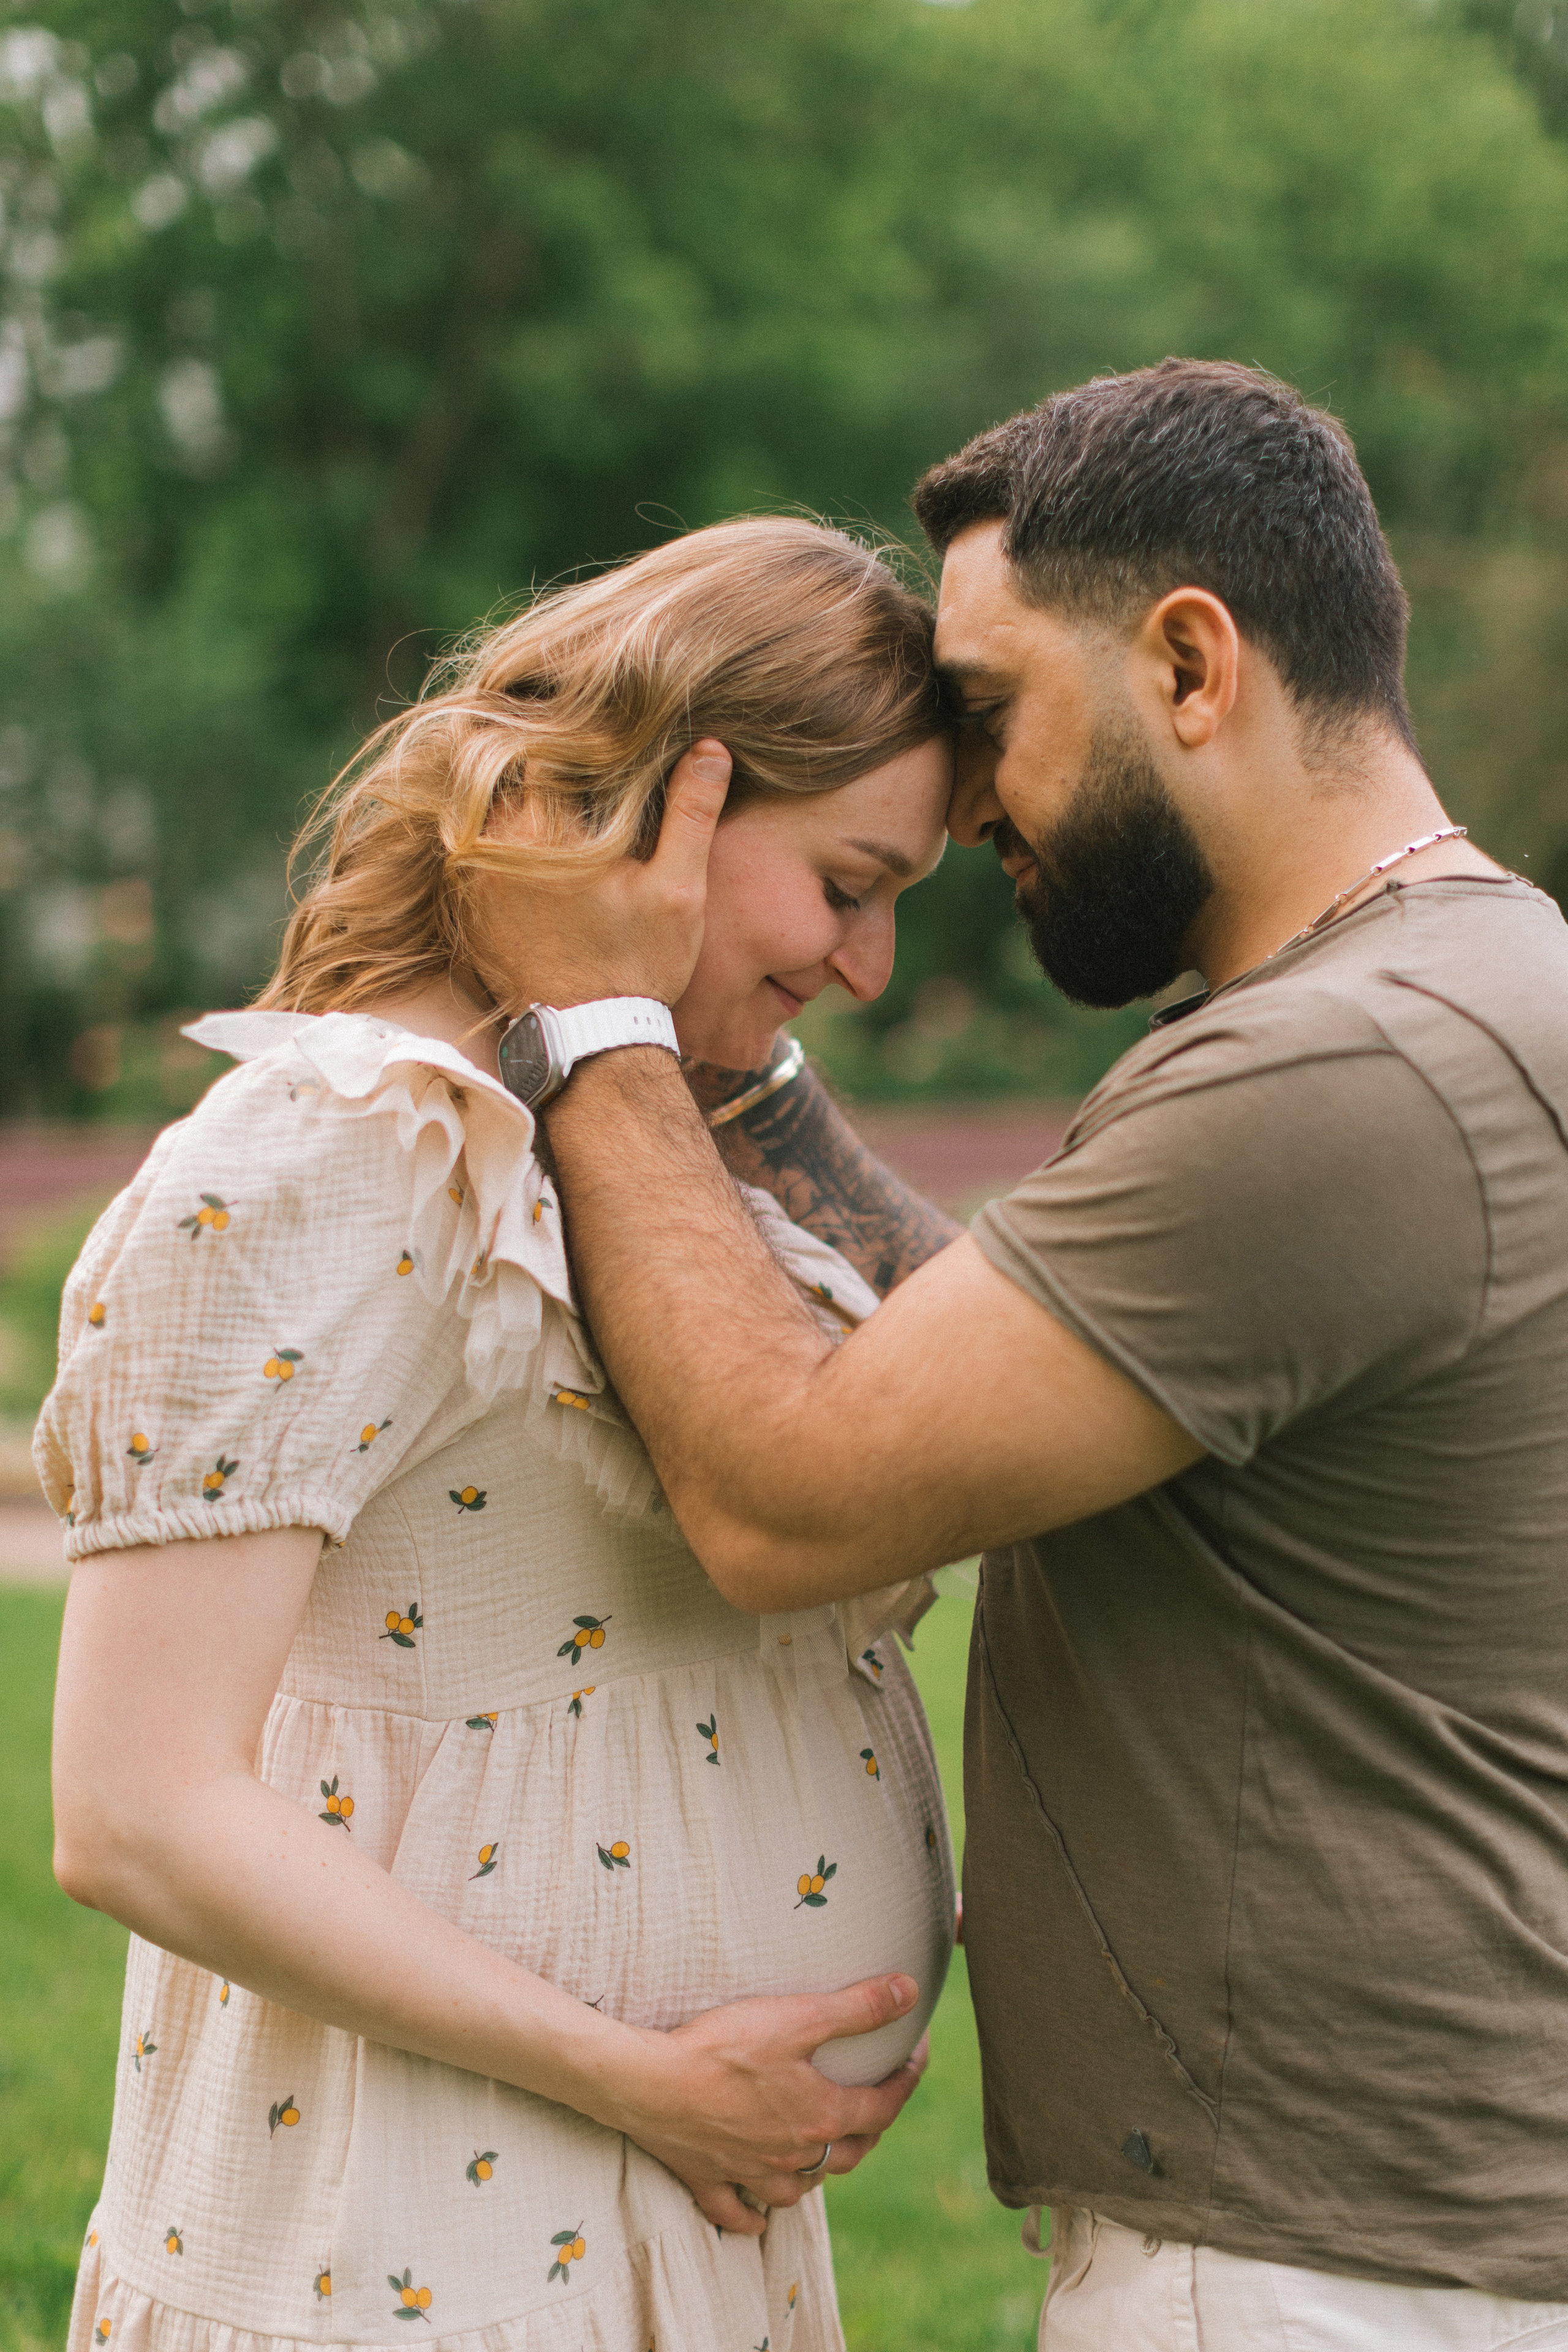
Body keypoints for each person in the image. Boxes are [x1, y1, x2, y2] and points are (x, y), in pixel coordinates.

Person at [464, 361, 1568, 2350]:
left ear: (1192, 662)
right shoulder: (1476, 984)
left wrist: (600, 1027)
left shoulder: (1332, 1072)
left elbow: (782, 1494)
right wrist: (745, 1044)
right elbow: (1005, 1334)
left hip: (1318, 2269)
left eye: (990, 710)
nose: (969, 806)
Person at [39, 516, 965, 2352]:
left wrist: (649, 1011)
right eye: (848, 884)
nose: (865, 963)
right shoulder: (337, 1148)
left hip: (650, 2227)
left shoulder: (653, 1153)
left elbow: (955, 1386)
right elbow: (135, 1812)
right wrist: (635, 2076)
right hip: (407, 2250)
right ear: (674, 802)